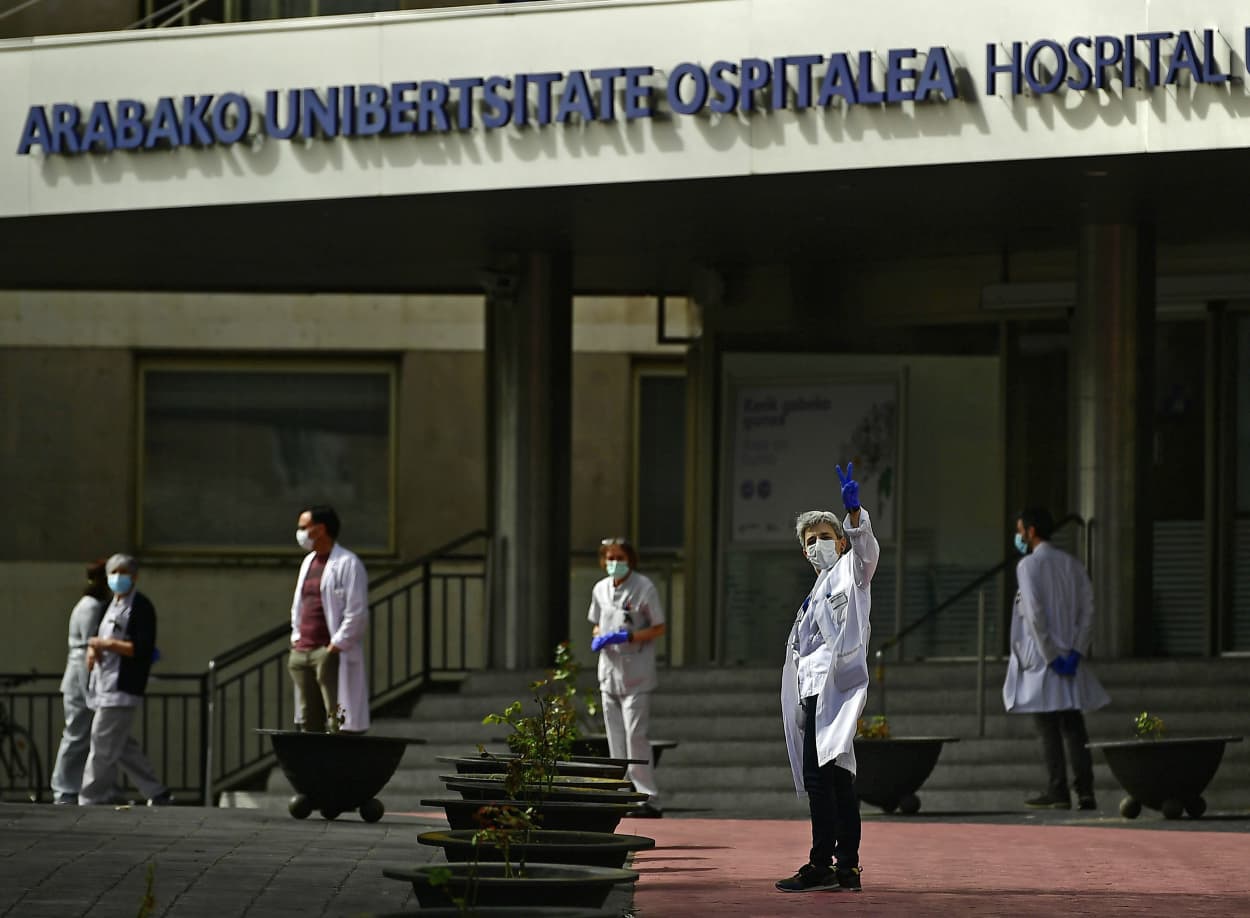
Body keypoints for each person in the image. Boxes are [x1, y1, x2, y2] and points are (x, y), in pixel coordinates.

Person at [777, 463, 878, 894]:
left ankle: (827, 864)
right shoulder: (814, 593)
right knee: (832, 781)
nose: (818, 544)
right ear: (804, 552)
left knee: (825, 780)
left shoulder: (851, 573)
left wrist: (854, 515)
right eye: (810, 540)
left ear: (840, 542)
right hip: (814, 692)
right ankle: (842, 866)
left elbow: (867, 553)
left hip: (834, 688)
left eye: (825, 536)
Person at [1003, 507, 1110, 810]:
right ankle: (1085, 791)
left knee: (1048, 726)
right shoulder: (1072, 565)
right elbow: (1088, 610)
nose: (1019, 536)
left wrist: (1050, 656)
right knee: (1073, 725)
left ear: (1031, 531)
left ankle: (1058, 789)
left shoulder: (1028, 566)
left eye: (1020, 530)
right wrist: (1076, 650)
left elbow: (1035, 614)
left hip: (1042, 658)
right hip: (1068, 655)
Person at [79, 554, 172, 806]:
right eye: (113, 573)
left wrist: (107, 644)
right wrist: (93, 650)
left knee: (101, 741)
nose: (118, 578)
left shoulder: (141, 607)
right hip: (104, 684)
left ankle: (91, 795)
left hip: (122, 687)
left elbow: (141, 648)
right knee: (121, 745)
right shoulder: (110, 605)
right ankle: (156, 791)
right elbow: (97, 637)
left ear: (134, 576)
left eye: (123, 573)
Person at [588, 536, 666, 818]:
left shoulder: (644, 587)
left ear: (630, 560)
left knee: (636, 736)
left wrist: (629, 636)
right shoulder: (600, 589)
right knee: (615, 738)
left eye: (619, 558)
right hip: (609, 672)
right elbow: (596, 622)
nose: (614, 563)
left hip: (637, 672)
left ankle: (647, 797)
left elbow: (658, 627)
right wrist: (600, 636)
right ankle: (619, 794)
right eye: (610, 558)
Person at [288, 505, 370, 733]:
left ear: (320, 529)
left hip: (330, 653)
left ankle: (338, 754)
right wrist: (296, 638)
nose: (300, 533)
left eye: (304, 527)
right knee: (308, 719)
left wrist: (334, 647)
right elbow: (299, 605)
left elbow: (356, 613)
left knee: (337, 718)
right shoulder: (309, 562)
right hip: (302, 652)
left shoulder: (348, 563)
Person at [49, 559, 111, 805]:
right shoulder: (90, 607)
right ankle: (63, 789)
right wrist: (90, 690)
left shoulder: (92, 605)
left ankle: (76, 787)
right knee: (76, 735)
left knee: (83, 736)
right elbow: (88, 648)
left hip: (81, 678)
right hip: (79, 680)